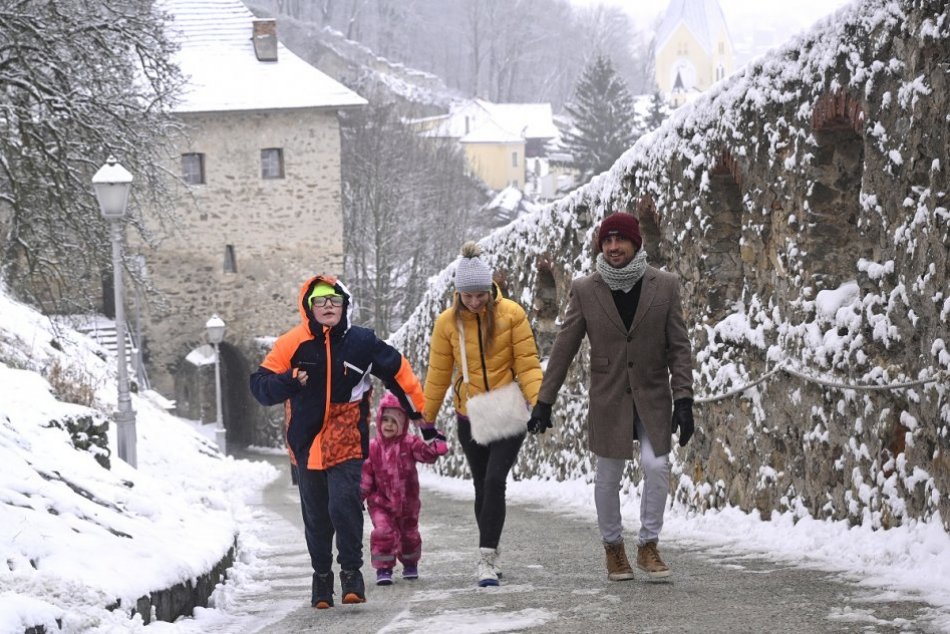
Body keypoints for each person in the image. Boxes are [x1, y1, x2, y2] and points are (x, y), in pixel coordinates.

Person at [527, 212, 695, 581]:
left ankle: (649, 546)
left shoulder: (664, 285)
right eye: (607, 241)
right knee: (608, 475)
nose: (613, 247)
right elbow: (564, 348)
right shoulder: (586, 289)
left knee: (656, 466)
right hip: (608, 397)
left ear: (637, 243)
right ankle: (613, 549)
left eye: (620, 240)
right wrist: (544, 400)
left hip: (652, 394)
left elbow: (679, 347)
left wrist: (683, 399)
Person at [250, 275, 427, 608]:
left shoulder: (361, 341)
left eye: (334, 300)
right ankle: (321, 578)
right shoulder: (292, 343)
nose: (328, 306)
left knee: (343, 505)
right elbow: (259, 386)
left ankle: (351, 573)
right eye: (320, 301)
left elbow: (397, 370)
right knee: (316, 516)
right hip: (306, 442)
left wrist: (418, 408)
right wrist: (288, 382)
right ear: (309, 307)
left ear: (345, 305)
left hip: (346, 438)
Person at [423, 241, 543, 587]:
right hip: (470, 417)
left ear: (490, 289)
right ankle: (491, 546)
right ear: (457, 293)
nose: (474, 302)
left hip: (507, 411)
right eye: (467, 296)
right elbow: (438, 374)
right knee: (481, 486)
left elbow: (528, 364)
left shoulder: (512, 315)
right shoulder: (447, 323)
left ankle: (486, 558)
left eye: (479, 295)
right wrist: (427, 419)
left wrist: (539, 404)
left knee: (494, 481)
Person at [360, 391, 449, 586]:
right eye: (386, 420)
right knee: (383, 532)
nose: (389, 425)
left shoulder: (409, 444)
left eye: (394, 421)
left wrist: (436, 444)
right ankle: (384, 568)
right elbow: (366, 476)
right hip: (380, 503)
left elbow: (426, 453)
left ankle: (410, 563)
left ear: (403, 424)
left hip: (408, 502)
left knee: (409, 535)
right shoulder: (373, 448)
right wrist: (359, 496)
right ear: (379, 421)